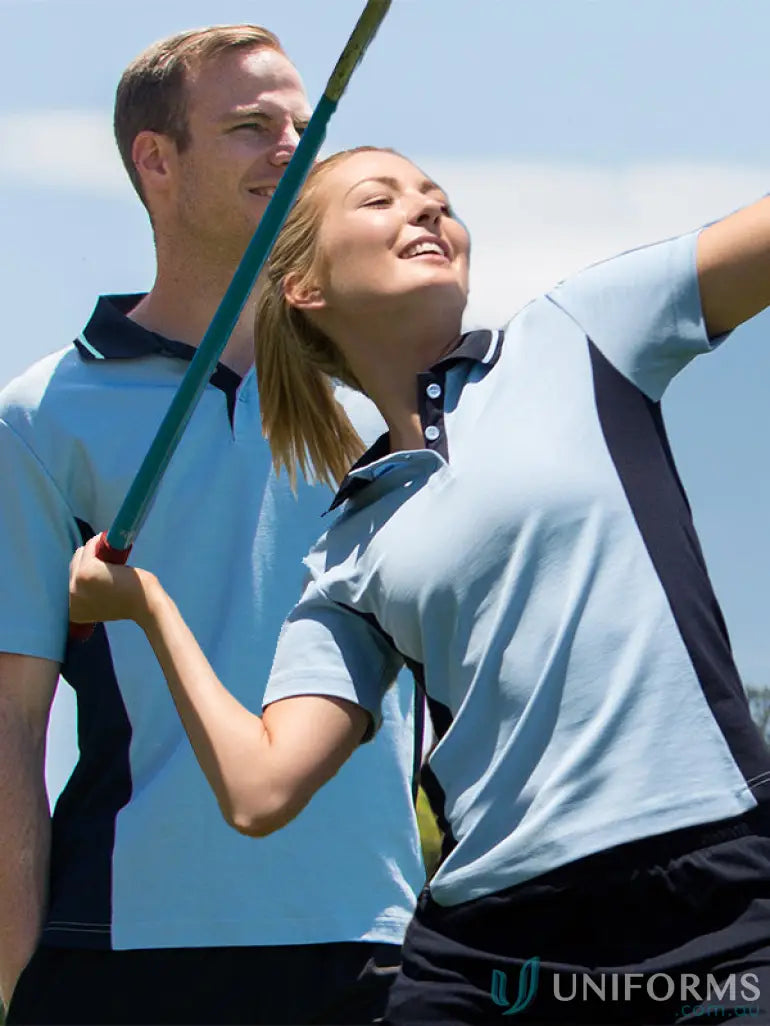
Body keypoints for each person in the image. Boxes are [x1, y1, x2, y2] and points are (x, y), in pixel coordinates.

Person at [69, 143, 770, 1026]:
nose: (427, 208)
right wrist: (149, 609)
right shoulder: (346, 545)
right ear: (305, 288)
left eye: (438, 198)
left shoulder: (580, 331)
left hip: (713, 896)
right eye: (382, 199)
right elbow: (260, 791)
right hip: (495, 947)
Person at [0, 33, 429, 1026]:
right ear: (156, 161)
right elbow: (14, 725)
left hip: (370, 947)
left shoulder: (378, 405)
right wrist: (13, 986)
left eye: (298, 127)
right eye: (249, 128)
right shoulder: (43, 416)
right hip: (126, 956)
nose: (287, 149)